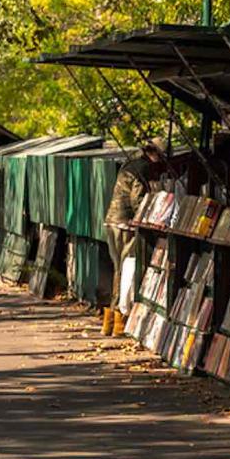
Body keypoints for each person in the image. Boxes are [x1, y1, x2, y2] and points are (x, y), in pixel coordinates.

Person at [101, 136, 166, 336]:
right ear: (155, 153)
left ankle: (109, 321)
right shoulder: (144, 168)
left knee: (117, 269)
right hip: (126, 224)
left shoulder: (130, 163)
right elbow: (137, 199)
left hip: (112, 220)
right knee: (124, 270)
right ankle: (118, 320)